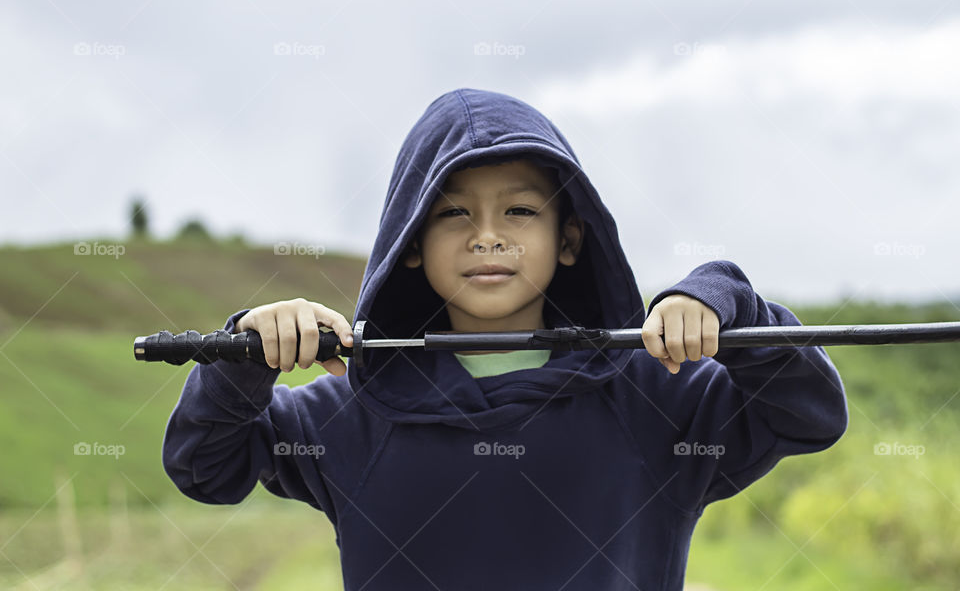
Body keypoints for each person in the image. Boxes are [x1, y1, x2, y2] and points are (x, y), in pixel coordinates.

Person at [162, 87, 849, 590]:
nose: (486, 234)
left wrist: (728, 300)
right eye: (453, 212)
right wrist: (245, 356)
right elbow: (205, 468)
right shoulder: (349, 413)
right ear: (409, 244)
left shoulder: (656, 398)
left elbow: (809, 414)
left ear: (570, 238)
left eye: (520, 210)